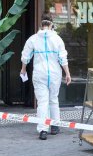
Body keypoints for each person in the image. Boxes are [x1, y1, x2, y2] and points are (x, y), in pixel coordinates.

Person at [21, 12, 71, 140]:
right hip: (55, 73)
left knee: (42, 102)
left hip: (39, 73)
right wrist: (67, 73)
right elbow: (62, 58)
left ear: (41, 24)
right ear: (51, 23)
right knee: (53, 99)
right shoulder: (57, 39)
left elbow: (25, 56)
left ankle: (43, 130)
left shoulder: (33, 39)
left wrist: (23, 70)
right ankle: (55, 126)